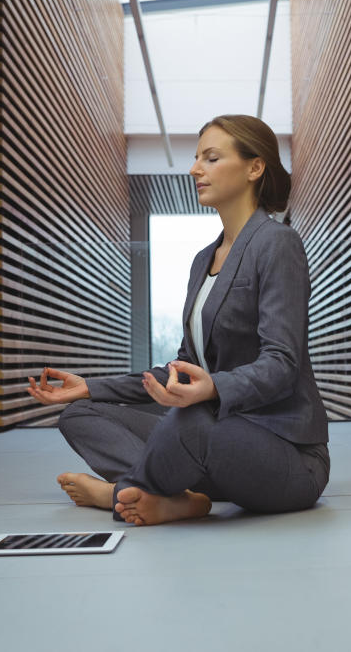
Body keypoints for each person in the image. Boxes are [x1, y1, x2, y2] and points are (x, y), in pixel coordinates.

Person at [27, 114, 330, 526]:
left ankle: (122, 492)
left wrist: (214, 389)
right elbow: (181, 370)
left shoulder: (278, 243)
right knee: (82, 414)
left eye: (211, 158)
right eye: (196, 158)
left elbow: (282, 363)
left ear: (254, 168)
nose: (194, 169)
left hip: (284, 454)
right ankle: (180, 494)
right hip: (215, 437)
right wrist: (90, 388)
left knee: (189, 424)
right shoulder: (202, 261)